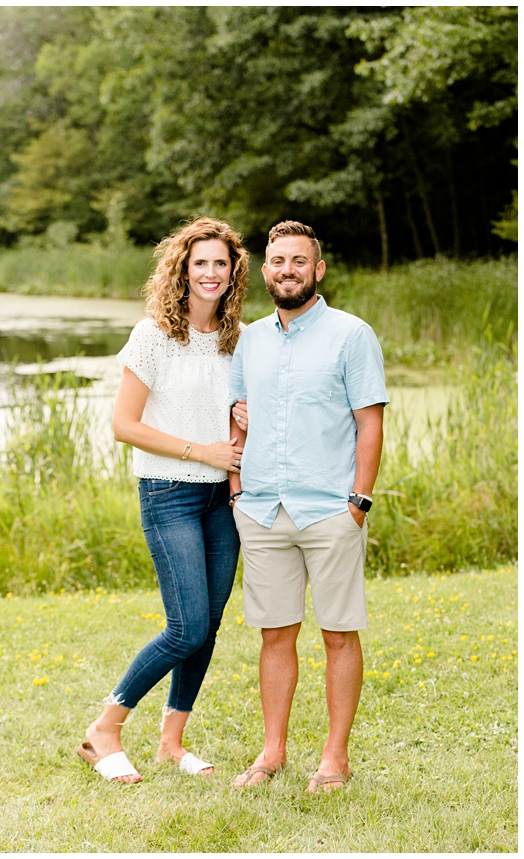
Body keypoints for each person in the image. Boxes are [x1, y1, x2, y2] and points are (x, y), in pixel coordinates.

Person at [76, 217, 248, 784]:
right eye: (200, 262)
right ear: (182, 268)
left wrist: (245, 421)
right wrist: (202, 451)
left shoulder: (236, 338)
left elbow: (233, 417)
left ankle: (171, 742)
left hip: (220, 501)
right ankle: (105, 729)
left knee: (210, 623)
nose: (210, 273)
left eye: (220, 263)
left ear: (233, 271)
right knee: (186, 626)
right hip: (169, 494)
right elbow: (124, 424)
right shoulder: (153, 336)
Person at [227, 220, 385, 793]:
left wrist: (358, 503)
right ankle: (272, 754)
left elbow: (370, 424)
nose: (287, 269)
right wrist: (237, 490)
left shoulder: (351, 335)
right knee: (275, 635)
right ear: (265, 270)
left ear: (317, 270)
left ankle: (334, 759)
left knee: (338, 634)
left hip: (330, 511)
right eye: (277, 261)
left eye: (299, 260)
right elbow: (235, 415)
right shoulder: (250, 339)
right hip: (263, 509)